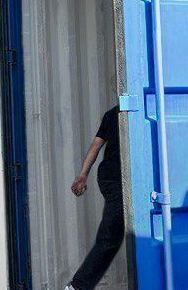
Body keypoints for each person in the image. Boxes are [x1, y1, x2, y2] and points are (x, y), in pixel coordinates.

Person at [65, 104, 124, 290]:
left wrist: (83, 175)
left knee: (119, 232)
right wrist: (82, 176)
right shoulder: (120, 113)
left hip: (108, 177)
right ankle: (77, 287)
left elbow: (95, 145)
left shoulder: (111, 113)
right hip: (115, 179)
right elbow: (96, 145)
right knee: (110, 236)